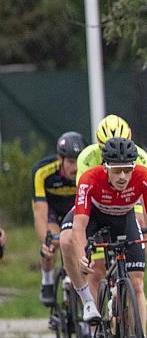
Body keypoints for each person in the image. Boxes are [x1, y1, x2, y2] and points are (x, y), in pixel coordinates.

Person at [59, 137, 147, 338]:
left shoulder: (144, 176)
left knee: (137, 283)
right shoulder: (90, 179)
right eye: (116, 170)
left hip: (123, 218)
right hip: (93, 216)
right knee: (66, 240)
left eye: (127, 170)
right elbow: (79, 225)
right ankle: (88, 300)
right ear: (105, 167)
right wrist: (80, 254)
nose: (122, 176)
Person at [32, 131, 85, 306]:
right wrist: (45, 242)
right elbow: (40, 212)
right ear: (59, 159)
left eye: (78, 160)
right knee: (52, 242)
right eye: (70, 161)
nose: (76, 167)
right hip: (52, 209)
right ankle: (47, 279)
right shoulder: (43, 172)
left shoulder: (86, 170)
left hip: (75, 209)